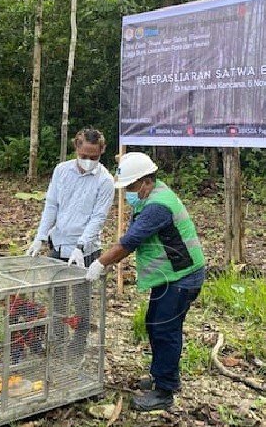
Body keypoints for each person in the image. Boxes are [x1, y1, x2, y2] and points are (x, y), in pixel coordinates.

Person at [85, 152, 205, 411]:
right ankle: (163, 377)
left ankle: (165, 391)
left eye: (131, 187)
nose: (128, 192)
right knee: (155, 324)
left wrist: (100, 263)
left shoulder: (157, 205)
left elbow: (129, 242)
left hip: (183, 277)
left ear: (146, 182)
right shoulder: (151, 194)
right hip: (170, 276)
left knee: (165, 329)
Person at [26, 128, 115, 357]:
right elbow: (52, 205)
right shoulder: (62, 171)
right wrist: (40, 237)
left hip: (86, 250)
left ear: (102, 152)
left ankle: (77, 347)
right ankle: (57, 341)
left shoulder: (105, 180)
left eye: (93, 157)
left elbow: (98, 217)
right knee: (57, 297)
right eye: (84, 156)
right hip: (59, 244)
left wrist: (82, 246)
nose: (88, 161)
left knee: (82, 301)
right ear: (77, 148)